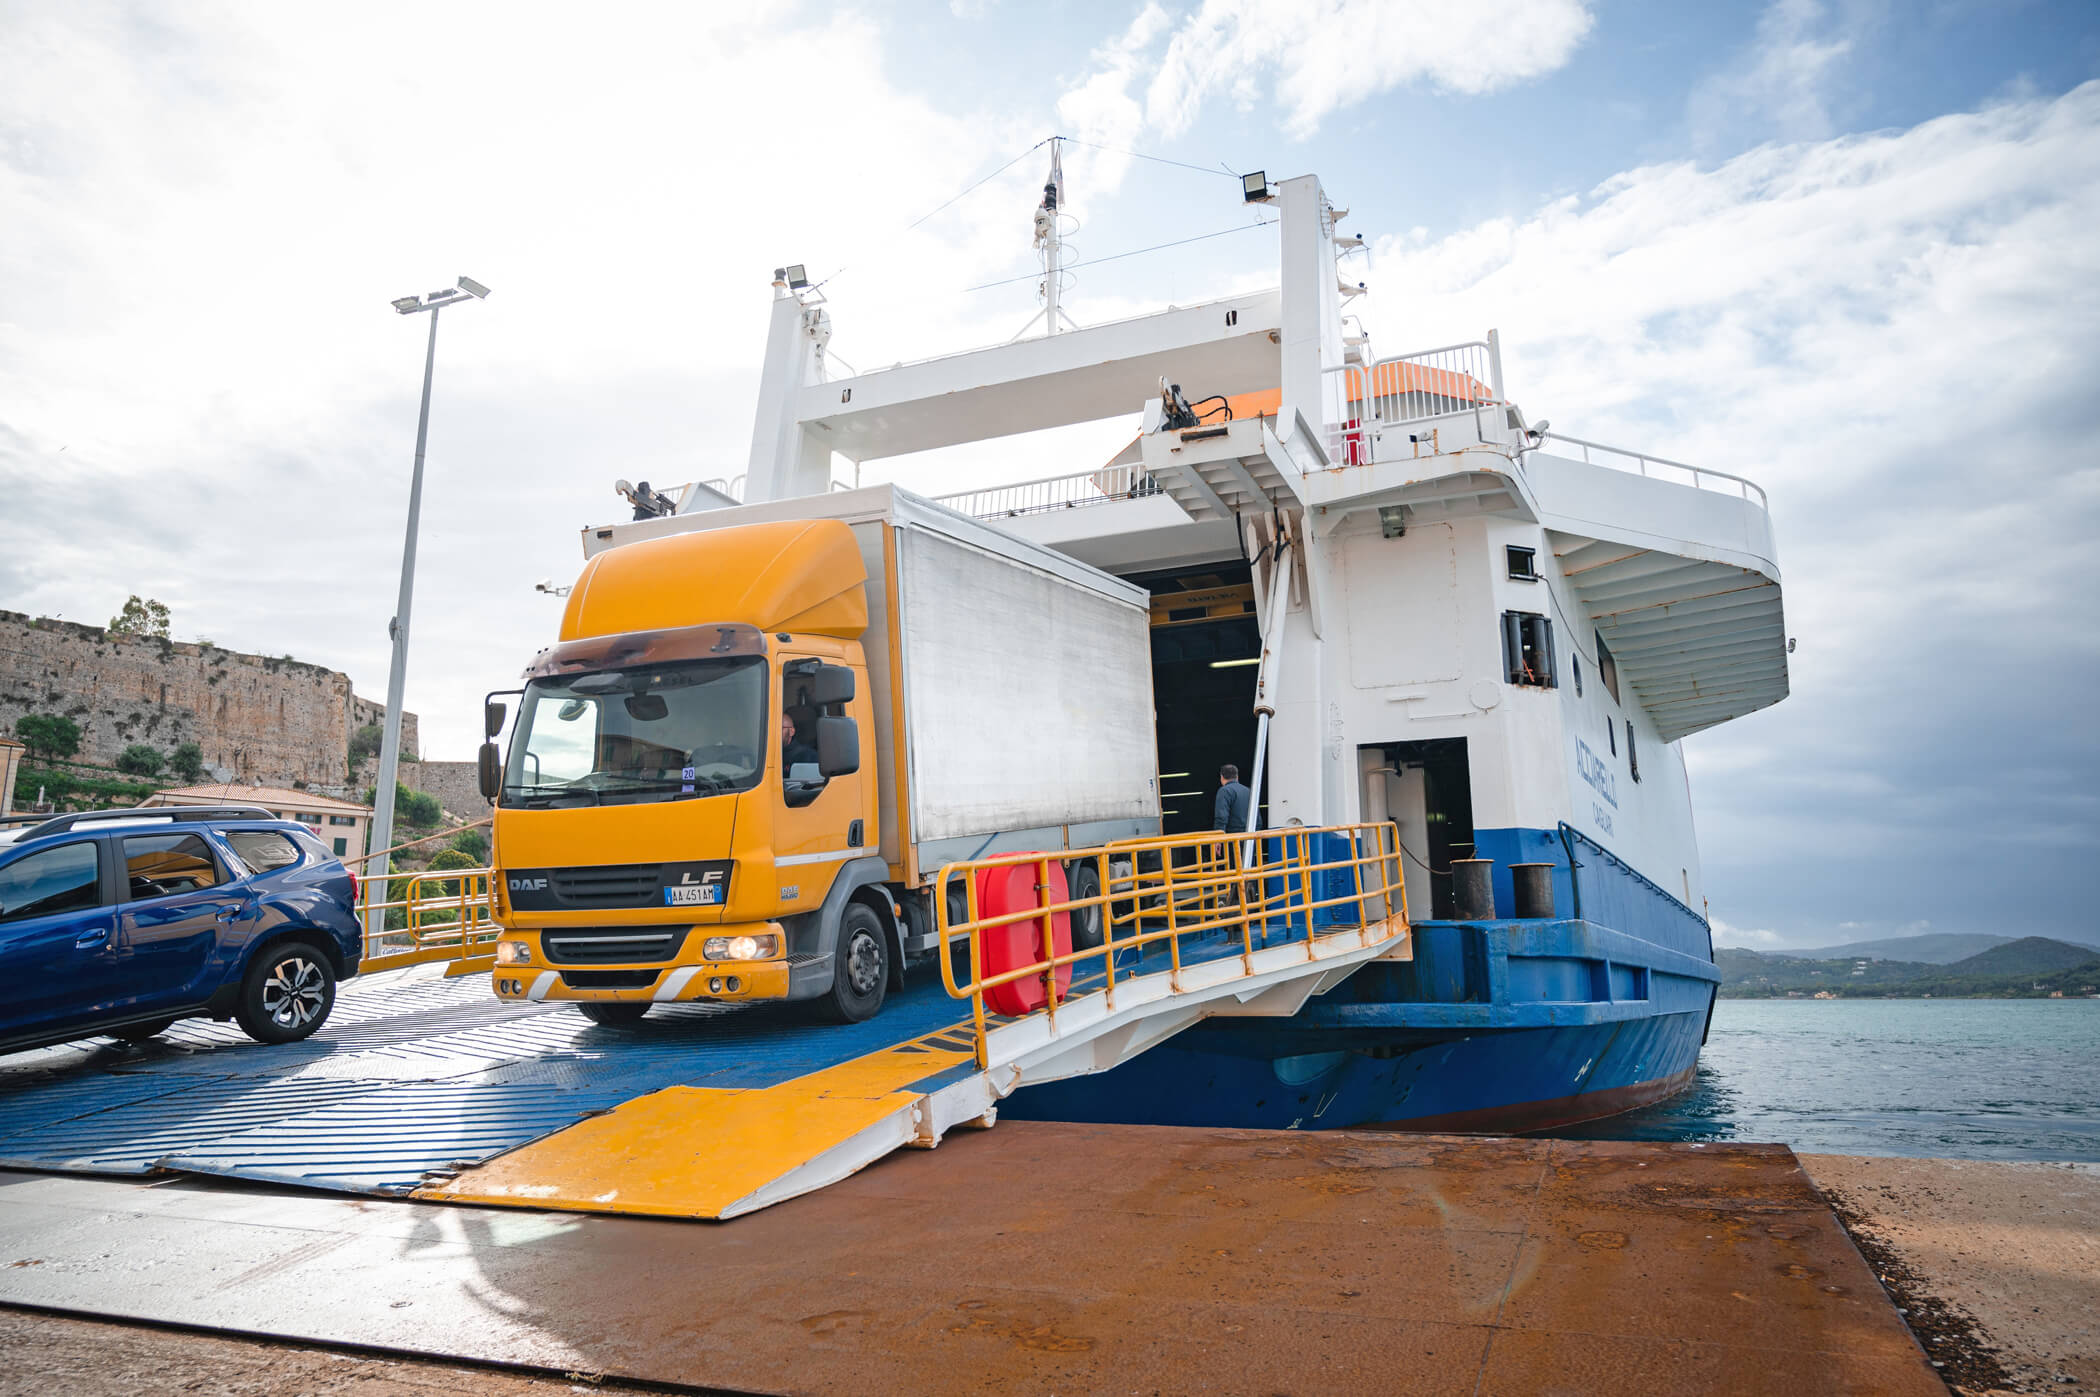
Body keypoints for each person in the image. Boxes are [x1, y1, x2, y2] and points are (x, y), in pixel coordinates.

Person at [1214, 764, 1252, 834]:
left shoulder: (1224, 791)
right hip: (1251, 836)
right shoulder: (1248, 791)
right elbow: (1257, 818)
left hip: (1234, 837)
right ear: (1237, 776)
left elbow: (1221, 816)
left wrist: (1218, 834)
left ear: (1221, 777)